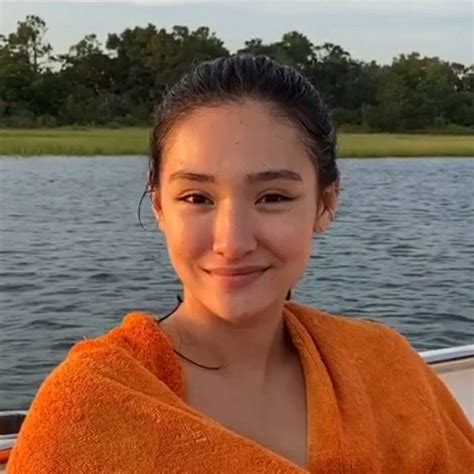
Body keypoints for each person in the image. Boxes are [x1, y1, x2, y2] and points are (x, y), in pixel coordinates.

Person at [6, 54, 473, 473]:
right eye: (196, 197)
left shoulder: (386, 369)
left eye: (273, 197)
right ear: (159, 206)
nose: (232, 241)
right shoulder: (92, 408)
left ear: (325, 203)